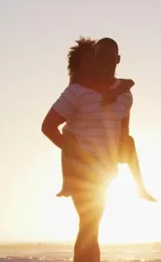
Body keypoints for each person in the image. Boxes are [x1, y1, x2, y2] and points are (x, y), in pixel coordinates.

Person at [40, 37, 134, 262]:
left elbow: (122, 134)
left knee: (87, 229)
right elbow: (48, 127)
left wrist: (119, 166)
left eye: (109, 58)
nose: (104, 64)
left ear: (118, 60)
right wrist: (74, 154)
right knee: (90, 228)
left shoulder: (125, 96)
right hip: (80, 172)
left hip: (105, 174)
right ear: (93, 60)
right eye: (98, 58)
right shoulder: (76, 92)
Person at [57, 37, 155, 202]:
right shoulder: (76, 86)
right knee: (67, 136)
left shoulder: (118, 89)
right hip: (81, 153)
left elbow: (127, 83)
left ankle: (140, 187)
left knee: (129, 141)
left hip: (108, 156)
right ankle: (66, 182)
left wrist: (117, 91)